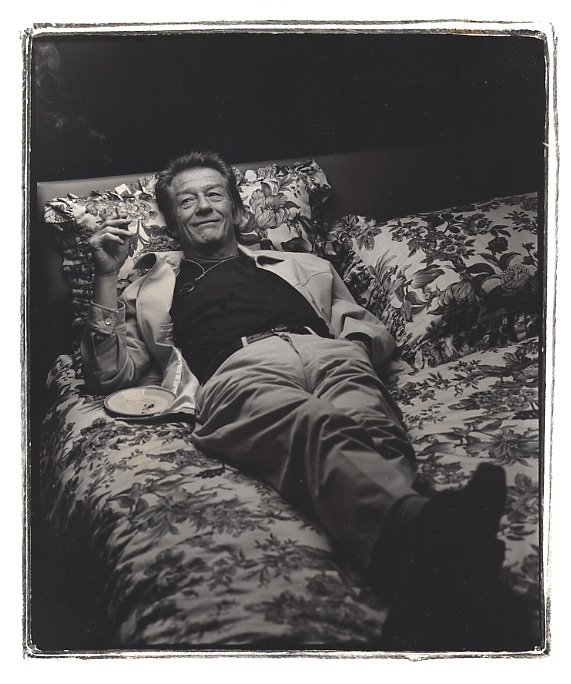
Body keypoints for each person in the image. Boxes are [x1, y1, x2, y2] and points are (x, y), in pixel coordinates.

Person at [81, 151, 507, 649]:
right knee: (313, 422)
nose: (204, 206)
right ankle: (435, 549)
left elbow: (365, 324)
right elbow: (108, 374)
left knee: (374, 426)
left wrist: (352, 349)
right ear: (173, 221)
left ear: (237, 208)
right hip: (240, 367)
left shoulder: (306, 265)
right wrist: (106, 276)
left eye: (214, 194)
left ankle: (422, 581)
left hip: (328, 351)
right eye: (187, 201)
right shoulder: (149, 288)